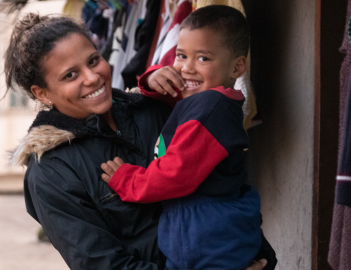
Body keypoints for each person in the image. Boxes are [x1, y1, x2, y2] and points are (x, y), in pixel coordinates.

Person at [4, 12, 275, 270]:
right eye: (70, 75)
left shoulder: (154, 109)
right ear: (42, 94)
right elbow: (101, 264)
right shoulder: (52, 171)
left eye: (93, 60)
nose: (92, 77)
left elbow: (224, 184)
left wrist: (257, 257)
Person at [100, 5, 266, 270]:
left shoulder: (211, 108)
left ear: (237, 67)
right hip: (201, 227)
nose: (187, 68)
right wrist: (152, 77)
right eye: (180, 55)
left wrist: (127, 180)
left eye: (203, 58)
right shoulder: (205, 100)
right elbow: (170, 96)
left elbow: (174, 173)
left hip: (207, 232)